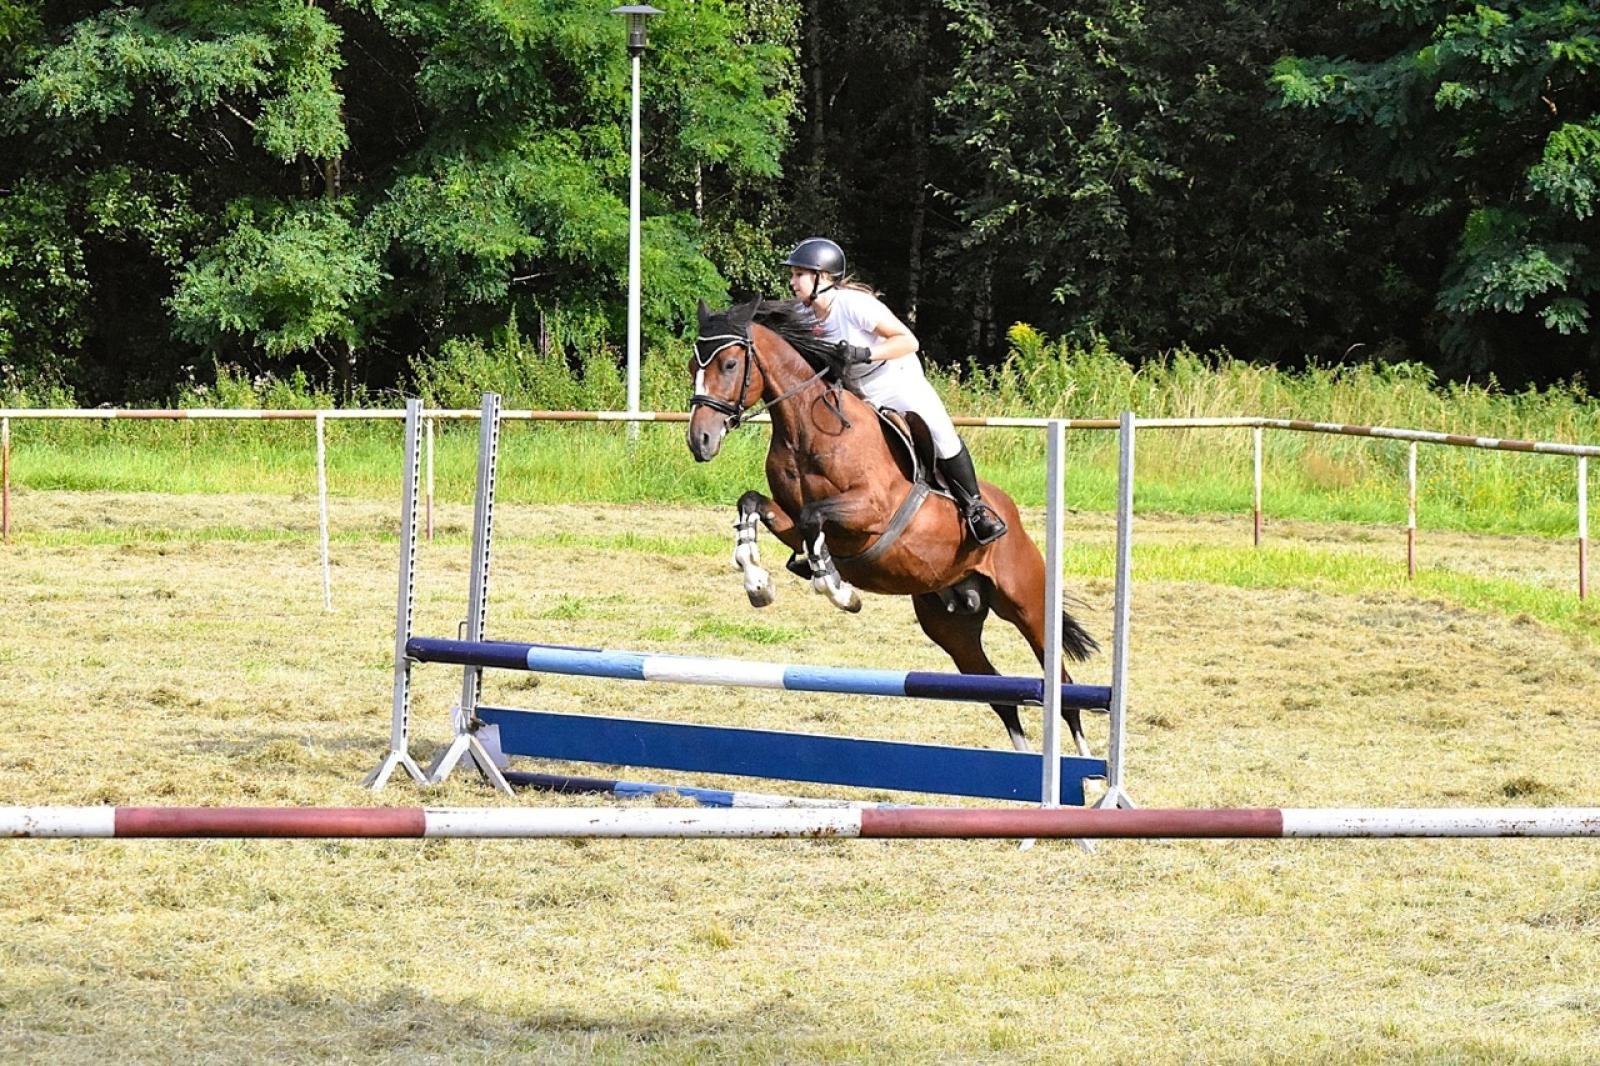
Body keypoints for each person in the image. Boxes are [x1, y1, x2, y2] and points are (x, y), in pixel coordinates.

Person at [783, 237, 1008, 544]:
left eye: (799, 275)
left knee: (940, 433)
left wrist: (864, 353)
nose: (792, 282)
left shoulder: (853, 305)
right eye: (793, 275)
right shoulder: (804, 313)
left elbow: (908, 341)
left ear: (822, 276)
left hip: (895, 381)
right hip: (853, 392)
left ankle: (976, 508)